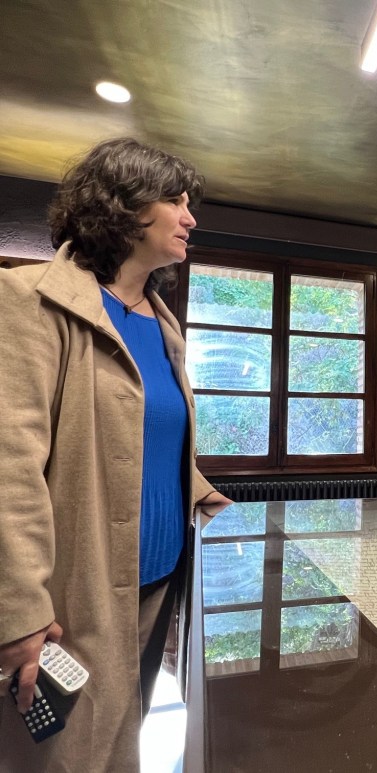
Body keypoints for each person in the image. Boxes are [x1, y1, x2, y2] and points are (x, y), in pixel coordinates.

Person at [0, 137, 232, 771]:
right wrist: (18, 612)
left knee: (124, 742)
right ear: (124, 207)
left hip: (158, 584)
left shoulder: (162, 322)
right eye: (175, 202)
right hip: (73, 598)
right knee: (68, 756)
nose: (190, 218)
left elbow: (147, 437)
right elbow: (9, 469)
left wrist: (204, 493)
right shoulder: (26, 300)